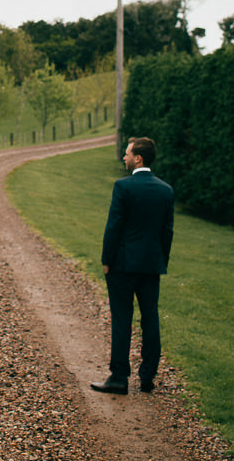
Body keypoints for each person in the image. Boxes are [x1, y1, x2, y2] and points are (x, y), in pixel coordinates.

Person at [91, 135, 175, 395]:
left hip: (123, 265)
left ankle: (119, 377)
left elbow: (114, 226)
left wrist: (106, 259)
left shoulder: (124, 187)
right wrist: (161, 261)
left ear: (138, 158)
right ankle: (148, 377)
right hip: (151, 265)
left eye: (127, 153)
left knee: (122, 318)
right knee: (150, 318)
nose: (124, 157)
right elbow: (167, 232)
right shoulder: (166, 190)